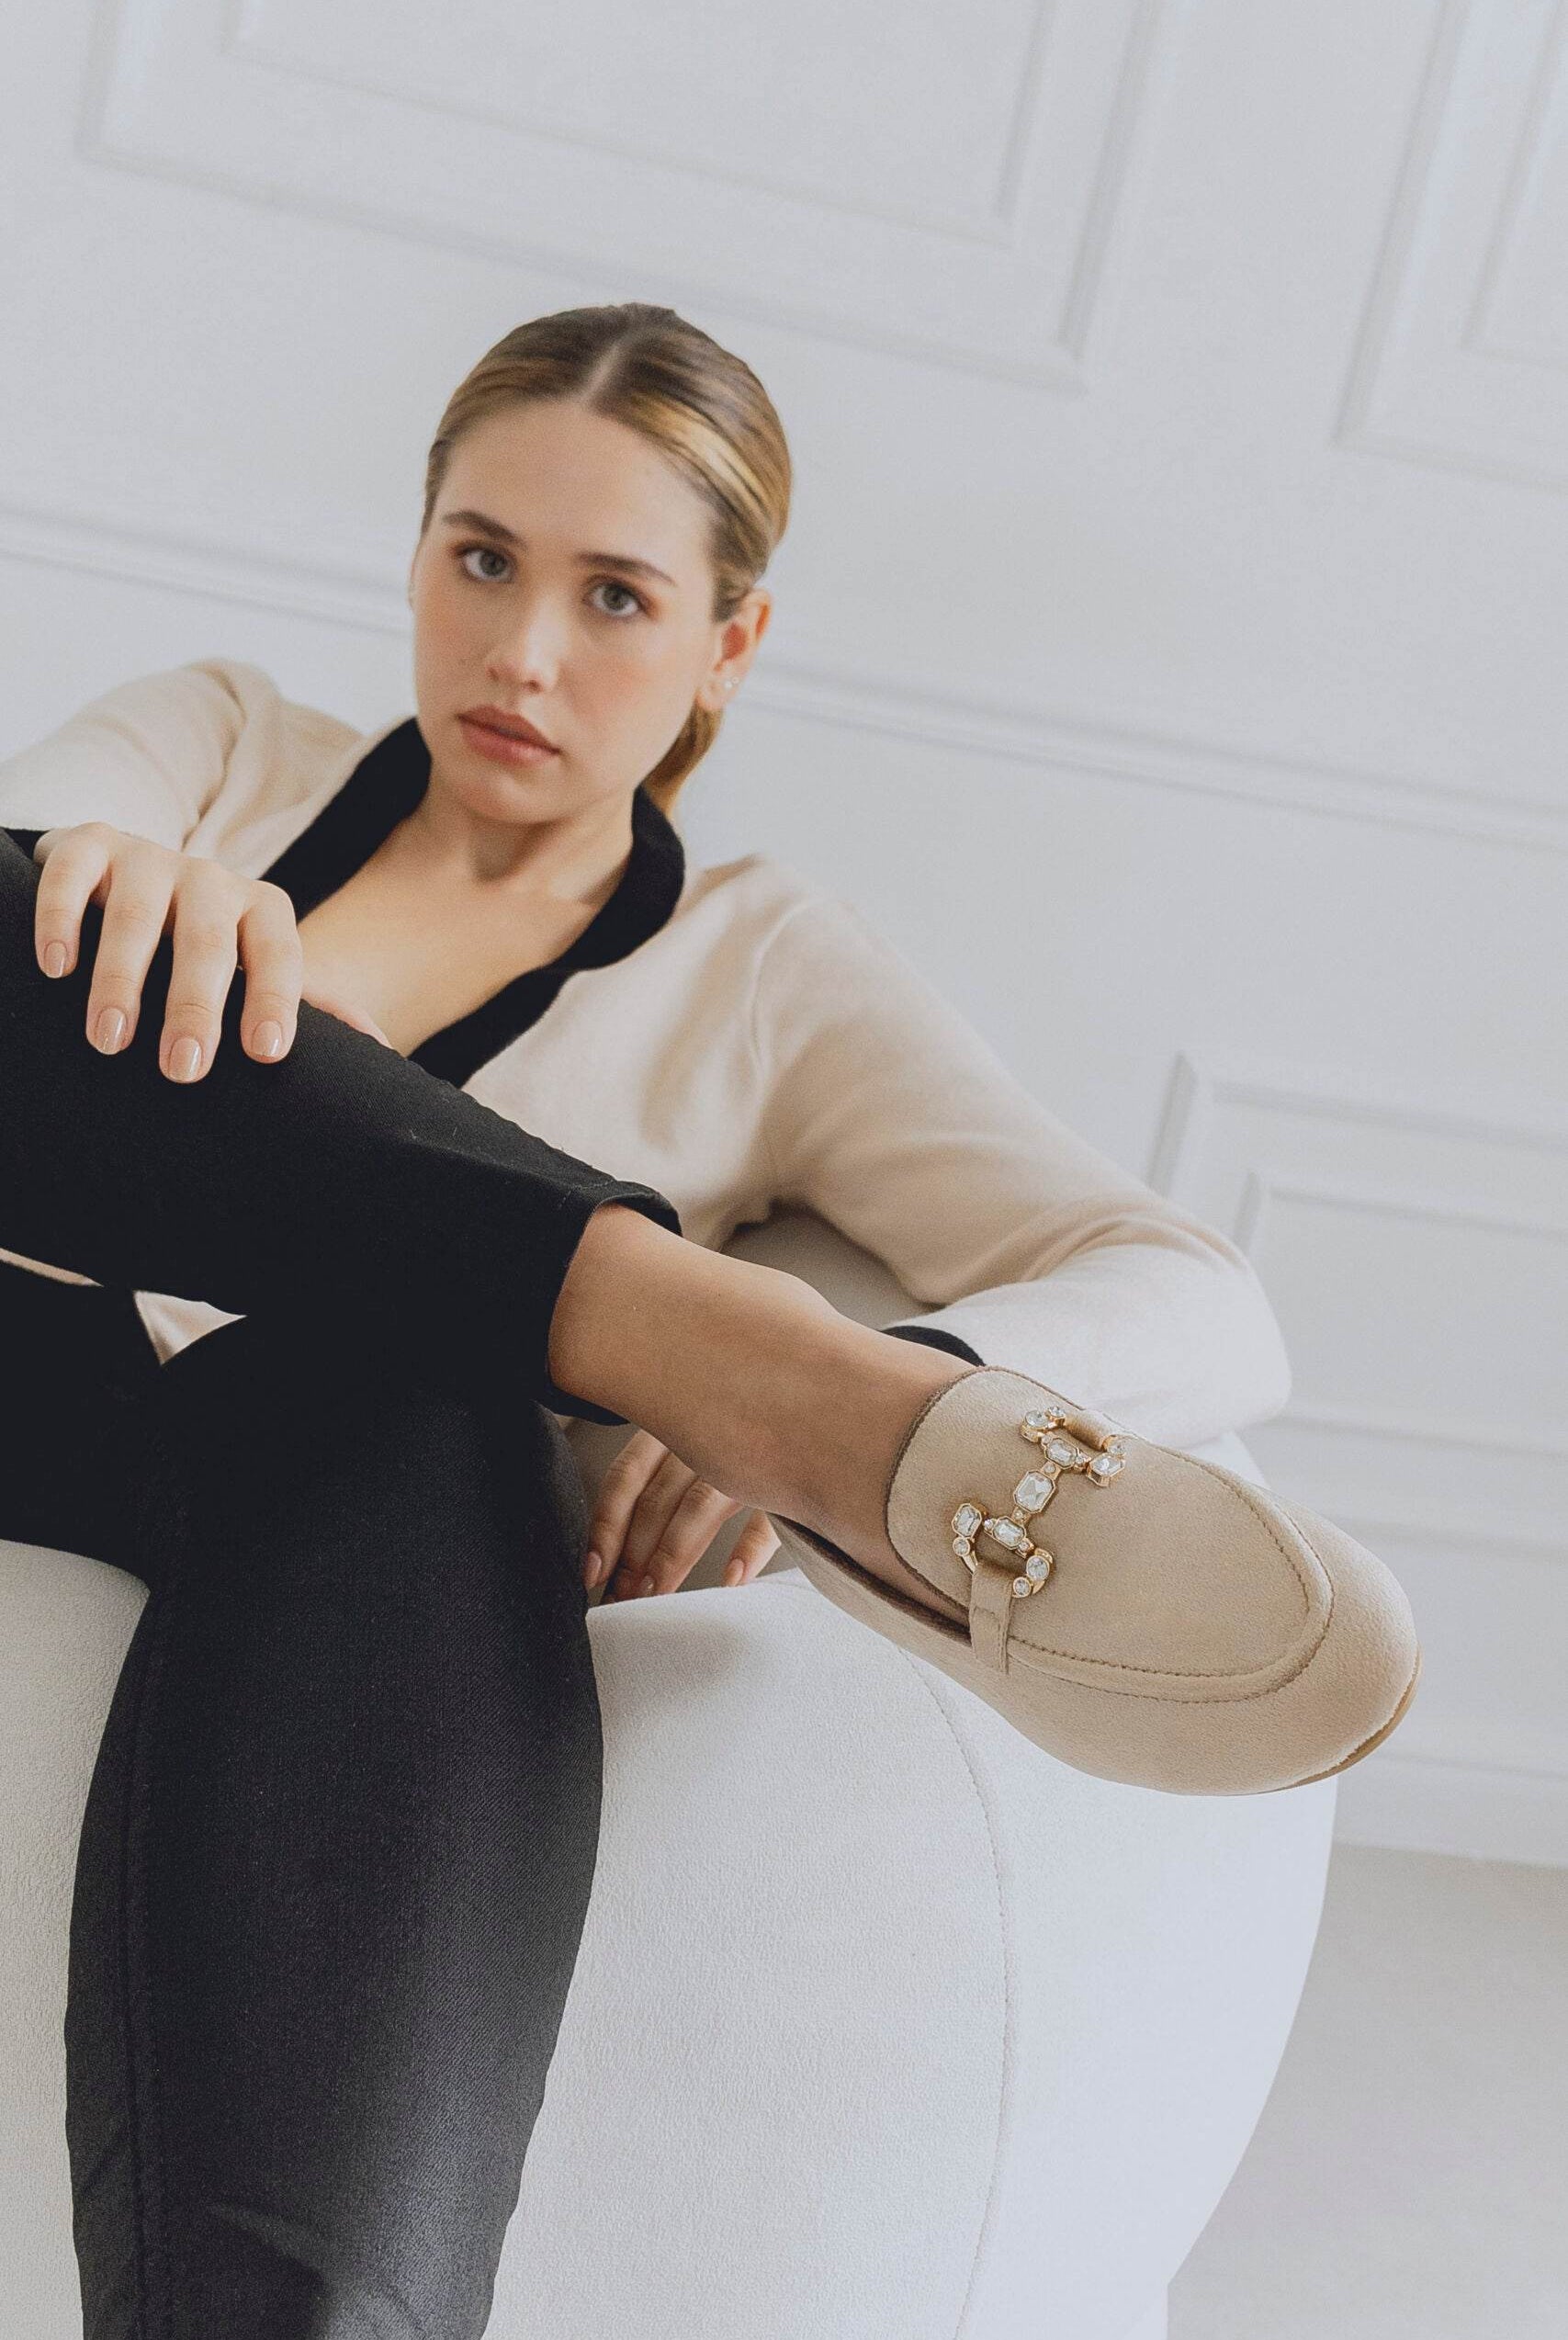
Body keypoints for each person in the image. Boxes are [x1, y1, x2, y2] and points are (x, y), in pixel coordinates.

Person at [0, 301, 1294, 2339]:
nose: (520, 652)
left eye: (615, 594)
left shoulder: (765, 966)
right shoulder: (228, 740)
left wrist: (948, 1373)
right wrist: (123, 886)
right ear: (416, 548)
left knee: (421, 1386)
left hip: (322, 1472)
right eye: (481, 557)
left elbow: (1193, 1291)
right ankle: (677, 1333)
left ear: (730, 644)